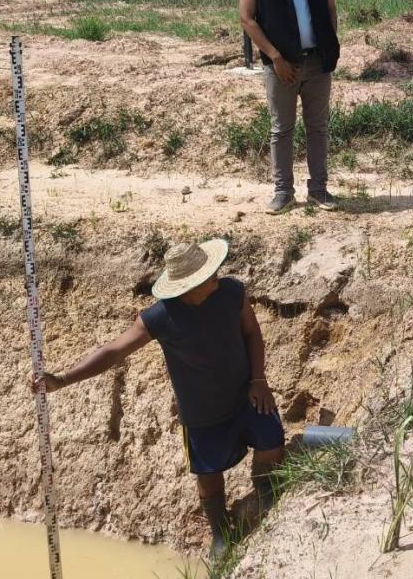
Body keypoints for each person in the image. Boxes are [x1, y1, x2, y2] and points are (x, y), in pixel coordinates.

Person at [33, 239, 283, 557]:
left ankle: (265, 493)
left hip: (246, 393)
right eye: (209, 276)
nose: (216, 278)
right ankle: (220, 532)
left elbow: (252, 332)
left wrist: (259, 380)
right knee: (207, 472)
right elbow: (114, 351)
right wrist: (63, 379)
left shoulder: (232, 292)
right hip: (202, 412)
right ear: (188, 287)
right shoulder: (160, 317)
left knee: (271, 438)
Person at [238, 0, 341, 214]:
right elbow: (247, 19)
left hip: (317, 63)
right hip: (281, 65)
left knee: (318, 127)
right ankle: (283, 192)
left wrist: (328, 46)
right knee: (282, 129)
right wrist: (275, 57)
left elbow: (331, 10)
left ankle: (319, 190)